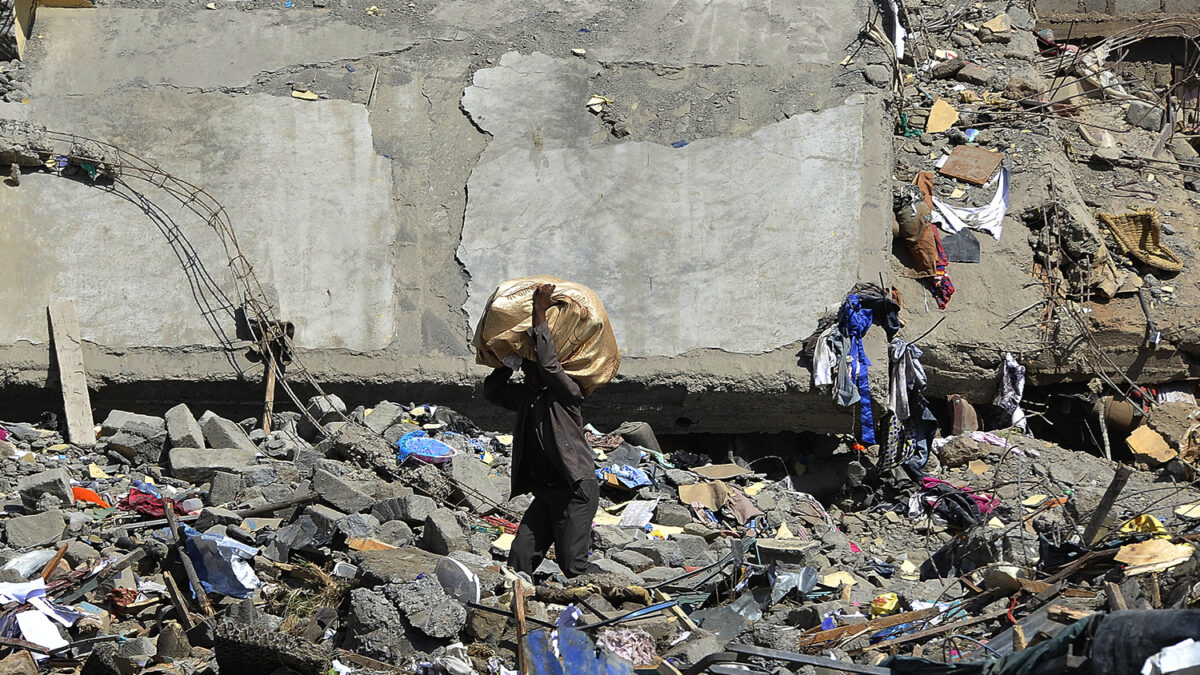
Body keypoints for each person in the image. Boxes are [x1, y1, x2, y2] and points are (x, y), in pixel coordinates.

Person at [483, 282, 599, 577]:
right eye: (525, 368)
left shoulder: (567, 394)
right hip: (547, 492)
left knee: (573, 565)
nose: (527, 374)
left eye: (529, 368)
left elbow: (548, 365)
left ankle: (611, 591)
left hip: (575, 490)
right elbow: (493, 392)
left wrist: (539, 310)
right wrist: (507, 362)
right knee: (519, 558)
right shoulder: (528, 399)